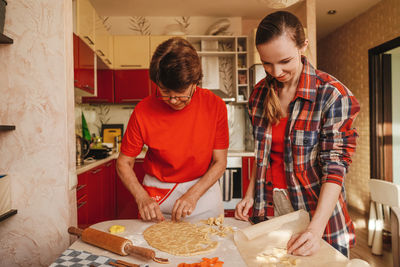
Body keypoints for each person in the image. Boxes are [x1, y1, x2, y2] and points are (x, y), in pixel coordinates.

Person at [235, 11, 360, 258]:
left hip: (316, 212)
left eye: (284, 61)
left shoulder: (333, 95)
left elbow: (335, 168)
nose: (276, 71)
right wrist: (249, 195)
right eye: (267, 63)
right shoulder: (259, 94)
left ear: (303, 47)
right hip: (270, 208)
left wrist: (315, 229)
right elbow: (264, 154)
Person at [116, 37, 229, 223]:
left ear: (195, 82)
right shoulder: (142, 110)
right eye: (166, 93)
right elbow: (123, 163)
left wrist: (193, 194)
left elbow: (219, 162)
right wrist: (142, 197)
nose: (174, 101)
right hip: (157, 196)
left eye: (181, 95)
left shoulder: (215, 106)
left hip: (201, 192)